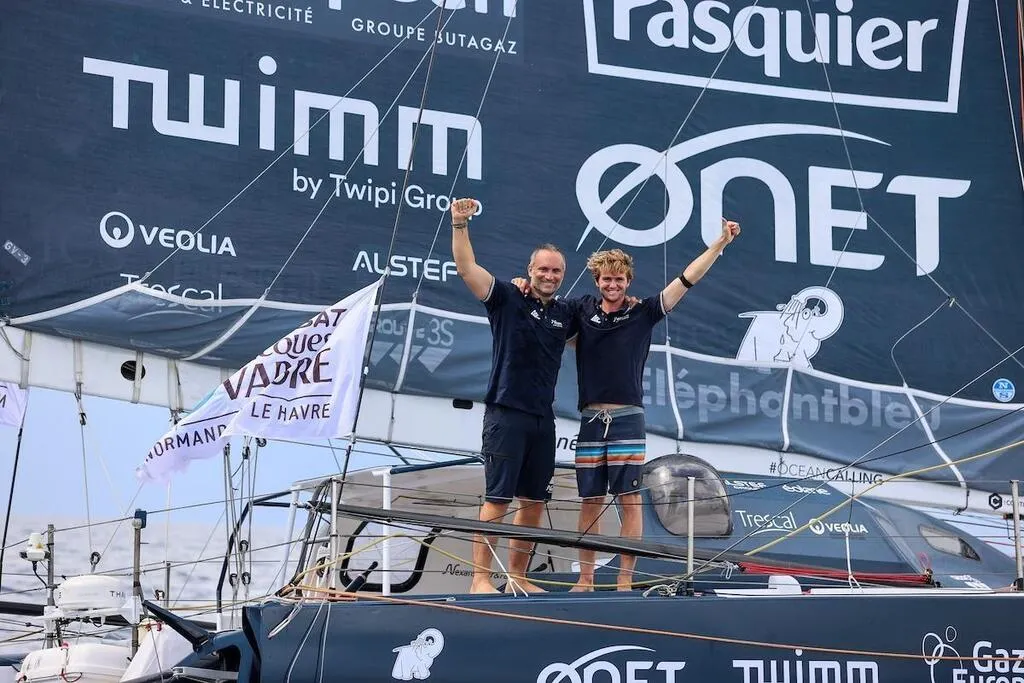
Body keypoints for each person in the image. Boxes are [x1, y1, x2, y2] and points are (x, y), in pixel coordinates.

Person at [514, 218, 741, 591]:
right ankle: (585, 579)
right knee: (590, 500)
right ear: (597, 280)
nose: (613, 285)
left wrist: (719, 244)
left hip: (627, 419)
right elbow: (546, 305)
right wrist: (523, 286)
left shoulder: (643, 312)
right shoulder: (580, 309)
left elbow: (686, 280)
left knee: (629, 500)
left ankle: (624, 579)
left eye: (619, 279)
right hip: (591, 418)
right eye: (606, 279)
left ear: (628, 281)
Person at [450, 197, 578, 594]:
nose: (549, 275)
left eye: (556, 271)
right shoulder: (507, 297)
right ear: (530, 270)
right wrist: (459, 224)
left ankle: (518, 578)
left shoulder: (565, 314)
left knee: (533, 503)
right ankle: (480, 580)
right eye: (543, 269)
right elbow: (467, 268)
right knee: (497, 500)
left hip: (543, 419)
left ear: (563, 275)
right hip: (506, 413)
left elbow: (600, 333)